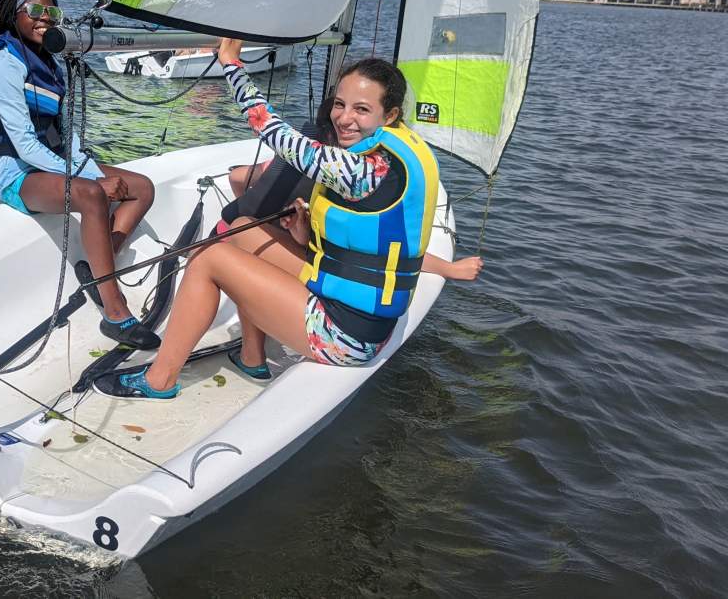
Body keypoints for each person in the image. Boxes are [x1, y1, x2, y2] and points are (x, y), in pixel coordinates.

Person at [97, 37, 480, 398]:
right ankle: (252, 358)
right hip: (353, 308)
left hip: (346, 336)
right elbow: (376, 248)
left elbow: (271, 129)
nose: (345, 119)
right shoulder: (400, 149)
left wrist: (231, 63)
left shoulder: (365, 171)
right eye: (340, 104)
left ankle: (159, 379)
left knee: (209, 259)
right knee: (242, 231)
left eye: (362, 109)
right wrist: (303, 234)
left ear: (390, 113)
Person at [0, 0, 159, 349]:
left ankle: (102, 267)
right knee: (91, 194)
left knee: (142, 188)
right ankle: (115, 314)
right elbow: (23, 145)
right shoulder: (3, 63)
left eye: (51, 14)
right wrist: (93, 179)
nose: (44, 20)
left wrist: (94, 170)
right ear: (14, 15)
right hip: (16, 173)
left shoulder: (48, 64)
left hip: (53, 166)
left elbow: (66, 139)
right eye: (35, 12)